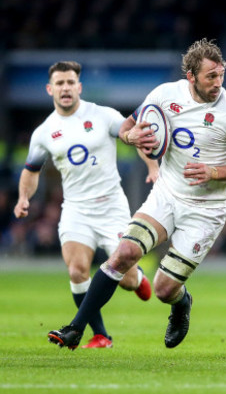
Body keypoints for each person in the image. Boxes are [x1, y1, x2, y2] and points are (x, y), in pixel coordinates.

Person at [47, 39, 226, 350]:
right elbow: (129, 127)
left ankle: (182, 302)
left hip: (205, 210)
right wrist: (130, 135)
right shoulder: (164, 95)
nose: (218, 83)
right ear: (191, 75)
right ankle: (76, 329)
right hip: (167, 196)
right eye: (210, 76)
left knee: (163, 289)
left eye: (221, 75)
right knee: (123, 254)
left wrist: (214, 172)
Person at [15, 61, 155, 349]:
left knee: (126, 279)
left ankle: (137, 277)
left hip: (111, 207)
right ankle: (101, 335)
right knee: (77, 270)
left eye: (70, 82)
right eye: (60, 83)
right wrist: (24, 198)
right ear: (49, 89)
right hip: (76, 210)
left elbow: (132, 136)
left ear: (78, 87)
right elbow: (31, 170)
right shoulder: (44, 132)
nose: (65, 88)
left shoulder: (103, 115)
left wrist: (152, 167)